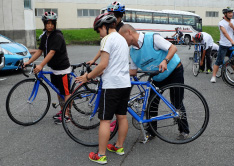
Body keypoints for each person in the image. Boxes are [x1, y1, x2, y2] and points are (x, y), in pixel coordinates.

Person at [76, 13, 131, 165]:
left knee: (105, 121)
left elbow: (103, 64)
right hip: (125, 83)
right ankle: (119, 147)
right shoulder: (122, 39)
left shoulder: (107, 39)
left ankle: (101, 155)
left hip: (112, 85)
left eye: (98, 30)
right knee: (122, 117)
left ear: (104, 27)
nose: (99, 34)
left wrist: (87, 77)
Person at [119, 24, 189, 141]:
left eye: (122, 37)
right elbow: (132, 71)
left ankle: (184, 130)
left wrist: (165, 61)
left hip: (174, 71)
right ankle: (152, 131)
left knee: (176, 102)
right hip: (157, 77)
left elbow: (173, 48)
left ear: (129, 32)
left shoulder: (152, 38)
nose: (122, 41)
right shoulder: (132, 52)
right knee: (152, 103)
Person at [24, 12, 71, 124]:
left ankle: (67, 115)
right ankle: (62, 110)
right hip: (54, 69)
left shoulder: (57, 36)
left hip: (62, 69)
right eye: (47, 23)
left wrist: (41, 65)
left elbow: (51, 53)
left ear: (55, 24)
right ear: (44, 24)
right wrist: (28, 62)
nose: (50, 25)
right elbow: (40, 51)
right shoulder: (45, 36)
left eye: (52, 23)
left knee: (65, 93)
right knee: (59, 92)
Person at [211, 7, 234, 83]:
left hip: (232, 46)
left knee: (233, 62)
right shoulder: (221, 23)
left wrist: (232, 27)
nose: (231, 14)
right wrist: (231, 40)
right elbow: (225, 33)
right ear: (225, 14)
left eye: (231, 12)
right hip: (224, 45)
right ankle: (214, 76)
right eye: (229, 13)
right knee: (219, 61)